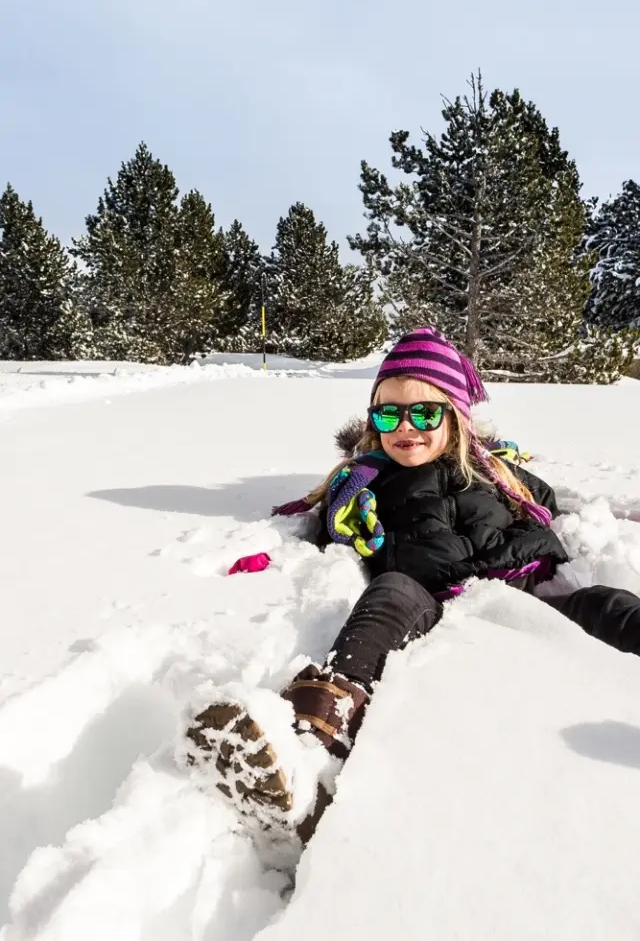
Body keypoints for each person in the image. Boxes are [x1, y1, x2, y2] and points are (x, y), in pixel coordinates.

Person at [181, 326, 640, 843]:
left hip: (523, 594)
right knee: (389, 593)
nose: (407, 426)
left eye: (425, 412)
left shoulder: (496, 474)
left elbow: (550, 504)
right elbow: (327, 522)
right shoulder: (364, 478)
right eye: (389, 412)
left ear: (458, 417)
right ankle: (305, 746)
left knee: (608, 603)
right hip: (432, 603)